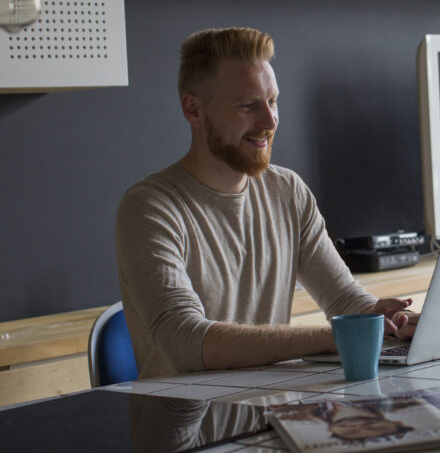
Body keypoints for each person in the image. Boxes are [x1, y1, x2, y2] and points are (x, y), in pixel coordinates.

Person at [116, 27, 415, 379]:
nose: (269, 121)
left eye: (272, 101)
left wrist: (392, 320)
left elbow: (346, 302)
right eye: (248, 105)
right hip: (188, 427)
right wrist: (334, 337)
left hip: (271, 417)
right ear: (193, 109)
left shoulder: (288, 191)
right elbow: (186, 342)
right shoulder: (151, 208)